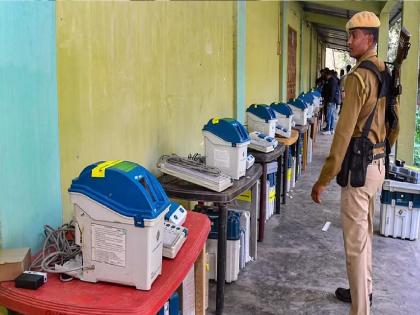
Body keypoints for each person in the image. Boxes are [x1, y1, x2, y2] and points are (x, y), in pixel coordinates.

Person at [311, 11, 400, 315]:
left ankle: (360, 309)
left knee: (354, 246)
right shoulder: (384, 72)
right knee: (365, 238)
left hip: (359, 169)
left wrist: (324, 177)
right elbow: (395, 122)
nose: (349, 41)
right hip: (377, 165)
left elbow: (343, 135)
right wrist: (381, 149)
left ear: (370, 38)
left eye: (353, 35)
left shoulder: (359, 76)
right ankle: (366, 291)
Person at [321, 70, 339, 135]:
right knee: (331, 115)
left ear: (328, 75)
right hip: (333, 101)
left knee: (329, 115)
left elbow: (332, 92)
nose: (325, 77)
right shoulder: (333, 80)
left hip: (331, 101)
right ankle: (331, 129)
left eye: (326, 75)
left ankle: (328, 129)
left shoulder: (331, 81)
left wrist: (329, 101)